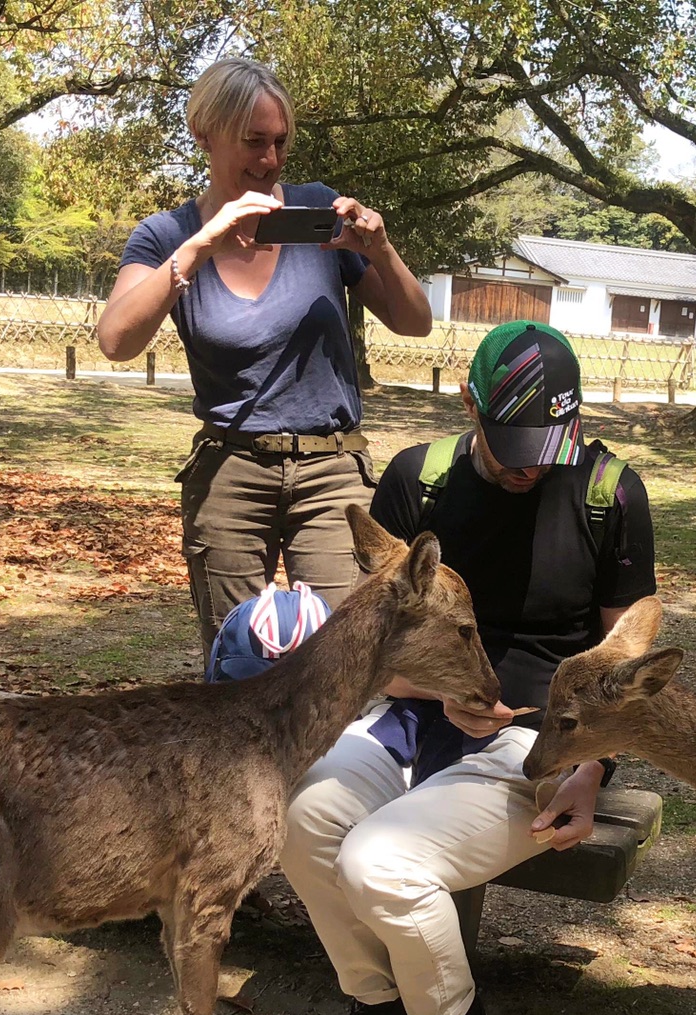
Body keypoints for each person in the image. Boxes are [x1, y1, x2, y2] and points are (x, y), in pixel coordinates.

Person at [281, 322, 657, 1015]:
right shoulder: (420, 481)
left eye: (545, 446)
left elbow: (630, 650)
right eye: (511, 443)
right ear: (469, 404)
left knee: (381, 860)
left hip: (534, 743)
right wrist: (431, 687)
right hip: (409, 717)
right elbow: (368, 645)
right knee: (307, 816)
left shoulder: (608, 490)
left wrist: (592, 767)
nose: (527, 466)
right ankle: (379, 1006)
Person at [97, 57, 433, 656]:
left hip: (332, 472)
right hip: (230, 474)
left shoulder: (319, 213)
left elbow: (415, 322)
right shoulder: (166, 236)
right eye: (254, 142)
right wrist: (200, 247)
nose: (271, 160)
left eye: (280, 142)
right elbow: (117, 340)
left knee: (340, 658)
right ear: (204, 133)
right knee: (238, 663)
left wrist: (380, 251)